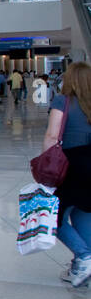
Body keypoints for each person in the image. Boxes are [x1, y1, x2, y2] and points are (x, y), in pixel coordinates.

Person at [42, 63, 91, 286]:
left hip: (71, 166)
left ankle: (84, 256)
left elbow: (52, 136)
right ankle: (84, 264)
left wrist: (44, 164)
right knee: (83, 213)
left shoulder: (63, 101)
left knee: (53, 217)